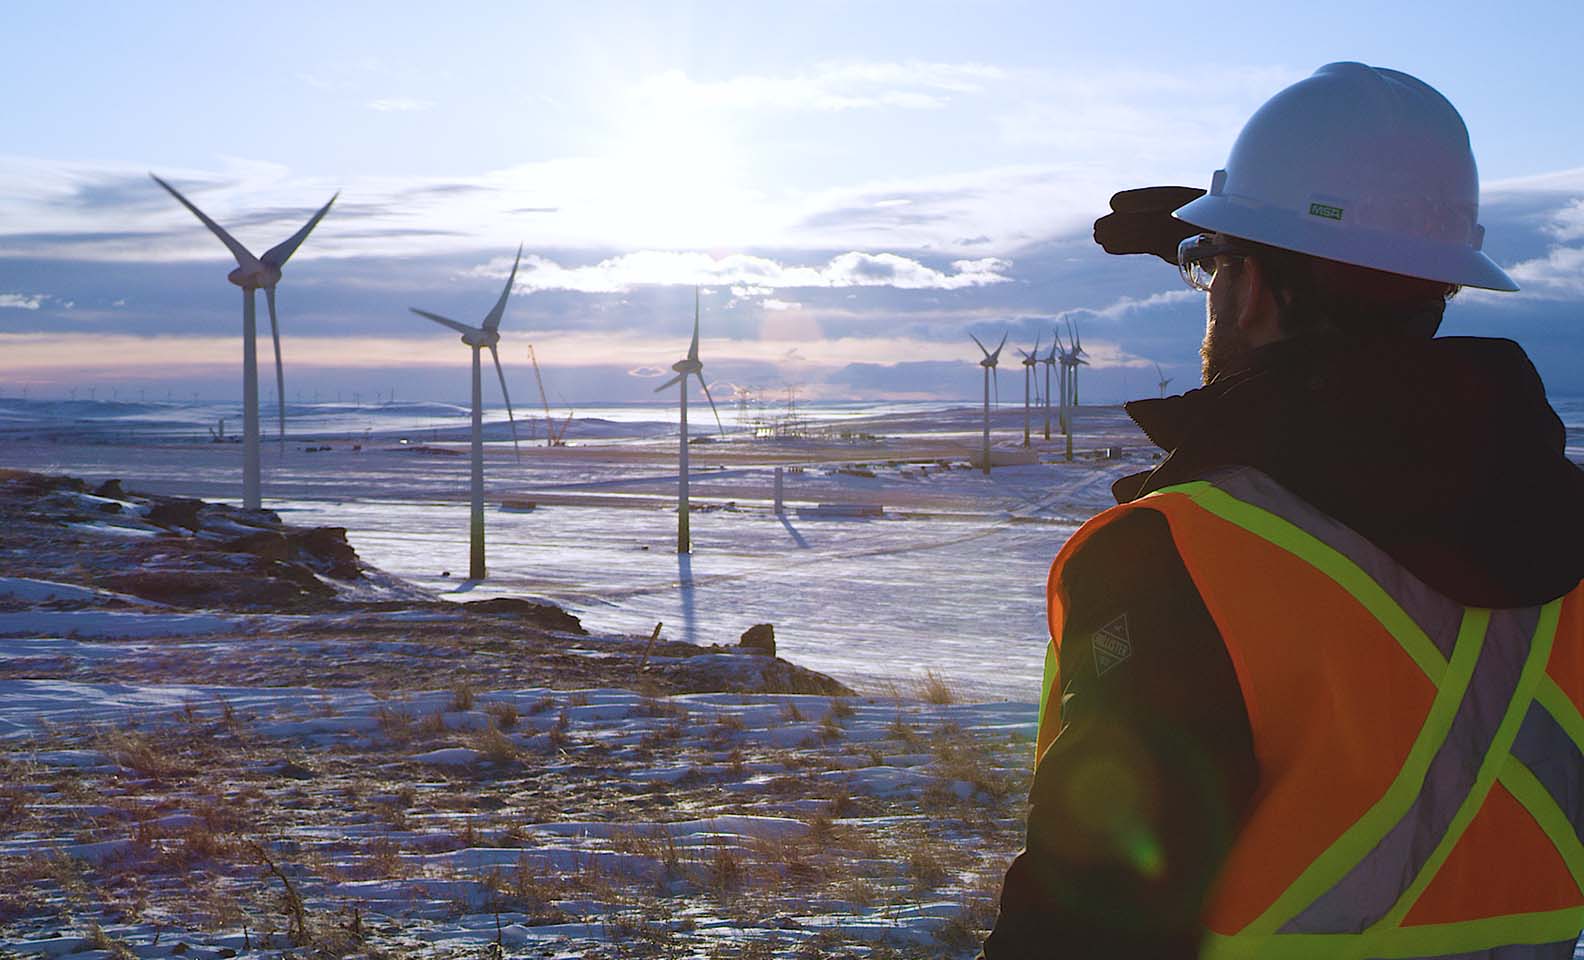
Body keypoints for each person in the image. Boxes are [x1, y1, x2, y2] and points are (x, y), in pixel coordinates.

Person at [983, 62, 1584, 959]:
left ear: (1255, 290)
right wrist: (1249, 253)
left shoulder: (1172, 559)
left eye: (1216, 271)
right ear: (1440, 285)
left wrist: (1245, 258)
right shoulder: (1558, 528)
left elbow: (1087, 921)